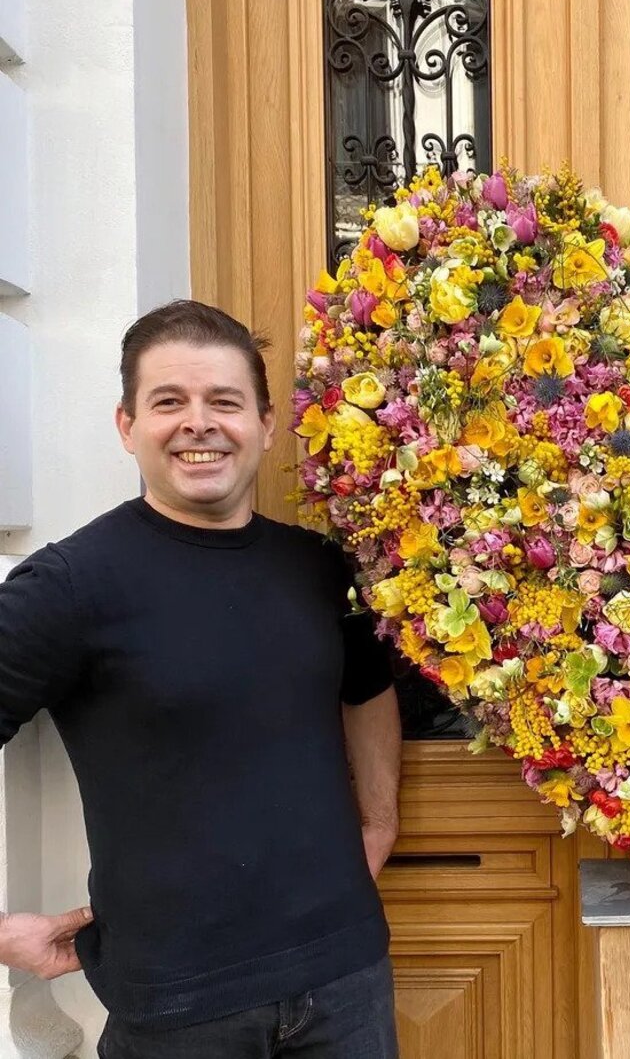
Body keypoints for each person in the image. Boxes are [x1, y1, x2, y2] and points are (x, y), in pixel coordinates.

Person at [0, 300, 402, 1057]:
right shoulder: (70, 586)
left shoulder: (318, 567)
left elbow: (366, 686)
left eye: (223, 401)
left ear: (266, 423)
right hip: (178, 1009)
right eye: (168, 402)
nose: (199, 423)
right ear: (126, 426)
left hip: (345, 979)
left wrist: (379, 822)